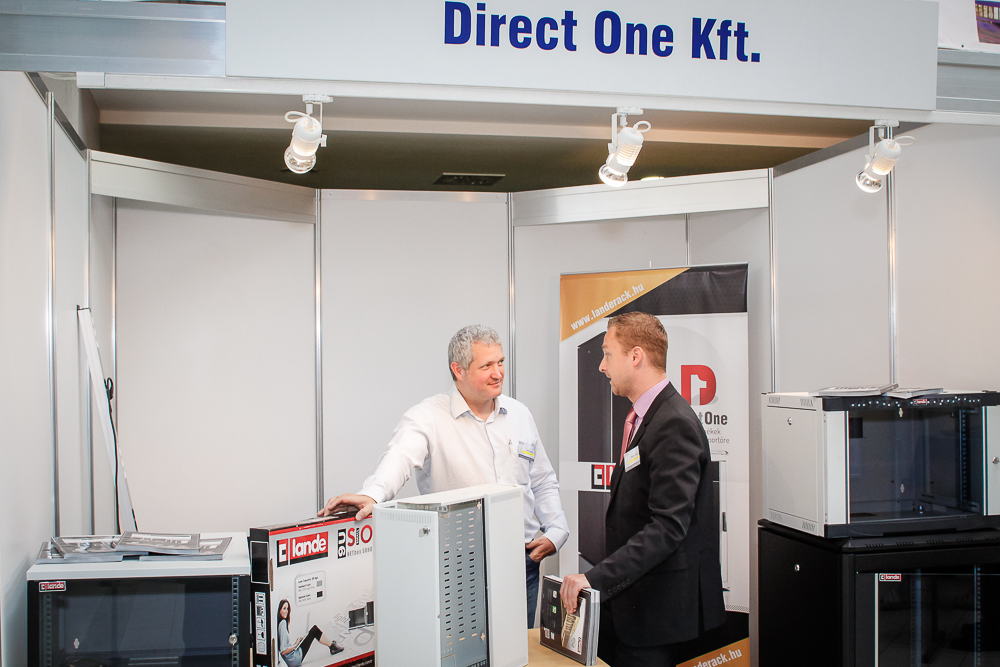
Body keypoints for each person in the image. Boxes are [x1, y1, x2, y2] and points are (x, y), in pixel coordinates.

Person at [319, 324, 569, 627]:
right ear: (458, 369)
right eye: (486, 366)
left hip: (521, 562)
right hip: (458, 566)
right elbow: (400, 457)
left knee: (518, 647)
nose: (498, 373)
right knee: (462, 648)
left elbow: (542, 481)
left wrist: (556, 531)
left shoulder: (520, 415)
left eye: (501, 362)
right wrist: (373, 494)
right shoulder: (428, 416)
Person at [560, 312, 725, 667]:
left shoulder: (673, 423)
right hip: (635, 609)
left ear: (636, 356)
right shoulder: (647, 417)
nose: (602, 366)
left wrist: (595, 578)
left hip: (657, 615)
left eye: (607, 354)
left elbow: (667, 528)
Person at [275, 599, 344, 667]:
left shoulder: (281, 624)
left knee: (313, 631)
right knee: (314, 630)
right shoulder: (283, 623)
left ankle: (332, 645)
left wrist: (296, 642)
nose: (286, 611)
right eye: (284, 608)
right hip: (295, 660)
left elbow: (285, 648)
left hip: (293, 658)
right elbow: (283, 651)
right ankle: (332, 646)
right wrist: (295, 645)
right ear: (279, 610)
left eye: (287, 609)